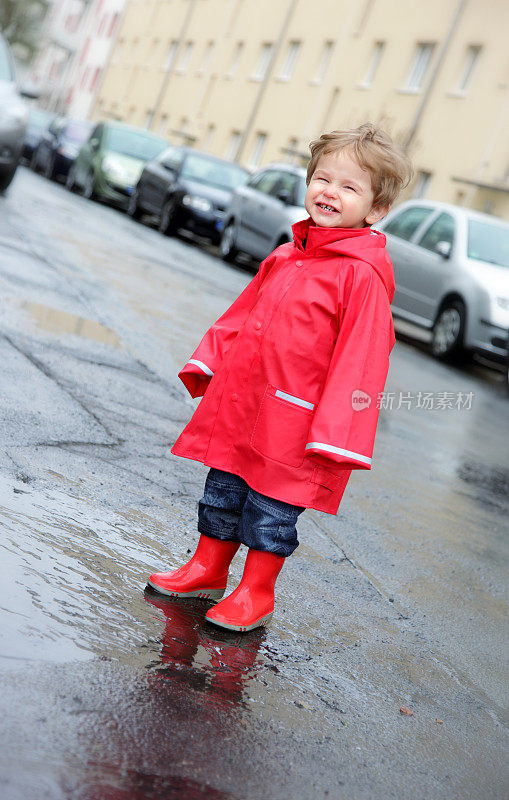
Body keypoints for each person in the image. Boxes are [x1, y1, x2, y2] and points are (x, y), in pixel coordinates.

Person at [147, 123, 412, 632]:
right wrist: (210, 359)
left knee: (271, 512)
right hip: (244, 403)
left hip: (297, 422)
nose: (330, 192)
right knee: (222, 490)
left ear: (376, 211)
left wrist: (339, 432)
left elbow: (363, 359)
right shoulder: (287, 255)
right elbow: (242, 315)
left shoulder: (361, 275)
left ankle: (256, 592)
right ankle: (207, 569)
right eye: (322, 179)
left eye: (349, 187)